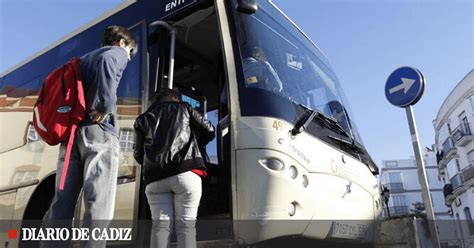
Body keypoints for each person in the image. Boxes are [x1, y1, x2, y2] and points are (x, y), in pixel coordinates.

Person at [41, 25, 137, 248]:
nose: (128, 59)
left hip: (72, 136)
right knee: (98, 202)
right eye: (130, 54)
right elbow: (108, 63)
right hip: (97, 134)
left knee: (62, 202)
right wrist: (106, 106)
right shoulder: (114, 53)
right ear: (122, 43)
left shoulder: (83, 59)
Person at [133, 88, 215, 248]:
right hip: (186, 173)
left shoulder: (142, 120)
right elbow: (209, 130)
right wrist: (196, 145)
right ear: (174, 98)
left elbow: (138, 155)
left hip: (154, 179)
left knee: (160, 227)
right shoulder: (185, 108)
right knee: (186, 227)